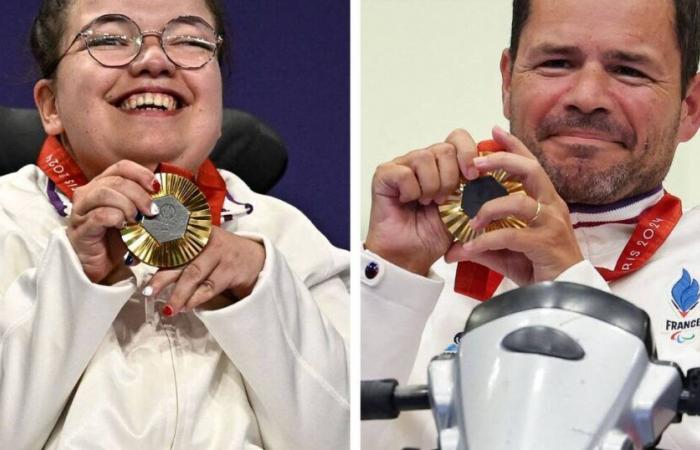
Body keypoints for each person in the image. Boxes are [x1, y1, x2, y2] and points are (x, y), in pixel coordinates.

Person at [0, 1, 348, 449]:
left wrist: (261, 294)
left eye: (189, 39)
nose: (154, 60)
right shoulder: (9, 221)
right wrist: (74, 277)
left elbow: (350, 435)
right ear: (51, 106)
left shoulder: (281, 237)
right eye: (109, 39)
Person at [362, 0, 700, 449]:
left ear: (690, 107)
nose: (587, 96)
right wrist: (392, 278)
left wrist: (571, 288)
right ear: (507, 81)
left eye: (629, 70)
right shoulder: (415, 267)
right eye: (556, 63)